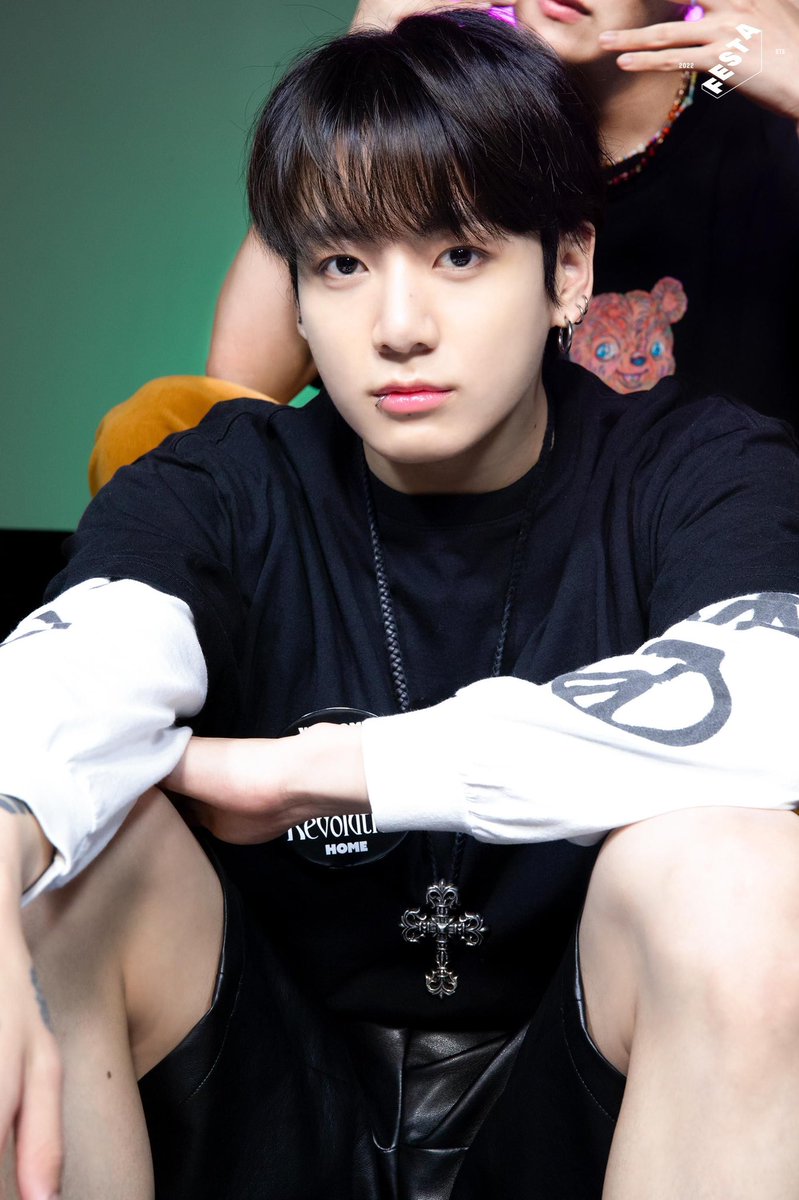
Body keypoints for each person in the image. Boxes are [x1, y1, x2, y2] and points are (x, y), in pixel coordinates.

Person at [4, 11, 799, 1200]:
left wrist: (326, 772)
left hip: (580, 1100)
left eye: (459, 255)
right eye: (342, 264)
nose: (398, 328)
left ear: (567, 271)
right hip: (259, 1092)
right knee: (50, 862)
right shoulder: (218, 481)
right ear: (297, 293)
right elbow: (76, 670)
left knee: (741, 870)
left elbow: (774, 706)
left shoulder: (698, 467)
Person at [87, 0, 799, 495]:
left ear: (571, 264)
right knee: (159, 425)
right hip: (433, 544)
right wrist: (368, 53)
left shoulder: (761, 124)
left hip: (690, 531)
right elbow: (233, 395)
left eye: (461, 254)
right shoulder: (439, 109)